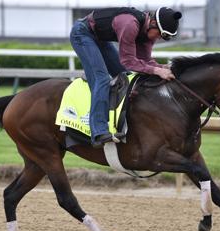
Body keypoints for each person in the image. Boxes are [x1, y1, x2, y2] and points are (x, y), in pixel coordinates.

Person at [70, 6, 182, 148]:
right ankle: (99, 132)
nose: (158, 38)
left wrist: (161, 68)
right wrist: (157, 71)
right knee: (102, 78)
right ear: (153, 23)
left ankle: (120, 121)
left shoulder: (149, 33)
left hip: (101, 39)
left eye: (163, 37)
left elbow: (144, 62)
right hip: (82, 33)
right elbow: (128, 62)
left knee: (126, 75)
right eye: (160, 34)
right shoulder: (130, 24)